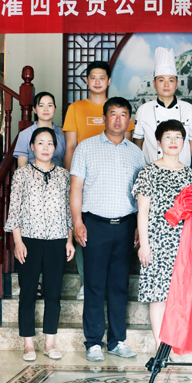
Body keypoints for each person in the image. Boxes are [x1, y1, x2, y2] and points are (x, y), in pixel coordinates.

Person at [70, 97, 145, 362]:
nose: (118, 119)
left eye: (123, 114)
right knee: (94, 285)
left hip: (125, 226)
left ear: (129, 120)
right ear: (104, 118)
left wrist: (139, 226)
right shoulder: (86, 147)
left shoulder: (136, 153)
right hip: (94, 225)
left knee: (119, 286)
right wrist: (77, 222)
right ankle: (93, 342)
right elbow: (76, 187)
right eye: (113, 114)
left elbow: (141, 195)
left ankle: (117, 341)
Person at [63, 61, 135, 300]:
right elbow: (71, 146)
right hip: (84, 175)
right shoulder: (76, 108)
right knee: (83, 230)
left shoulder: (119, 108)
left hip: (113, 185)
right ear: (86, 80)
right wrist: (72, 178)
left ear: (109, 81)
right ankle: (87, 281)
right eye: (92, 77)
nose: (97, 82)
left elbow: (127, 145)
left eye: (101, 77)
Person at [4, 127, 74, 361]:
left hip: (57, 239)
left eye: (50, 143)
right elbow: (14, 209)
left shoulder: (63, 175)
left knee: (54, 293)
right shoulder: (22, 174)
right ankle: (28, 345)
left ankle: (49, 343)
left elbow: (68, 210)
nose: (45, 147)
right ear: (32, 147)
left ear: (55, 148)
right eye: (40, 143)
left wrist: (69, 240)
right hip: (29, 240)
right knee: (28, 292)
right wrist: (18, 242)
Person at [132, 120, 192, 350]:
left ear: (184, 142)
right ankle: (161, 348)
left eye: (178, 137)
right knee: (158, 295)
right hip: (157, 241)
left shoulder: (191, 175)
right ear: (159, 142)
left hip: (184, 242)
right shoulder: (148, 172)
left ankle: (176, 342)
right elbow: (143, 211)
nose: (173, 141)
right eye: (168, 137)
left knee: (180, 295)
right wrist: (144, 245)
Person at [133, 47, 192, 167]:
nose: (166, 85)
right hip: (151, 171)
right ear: (154, 84)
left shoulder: (189, 109)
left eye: (171, 80)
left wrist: (179, 164)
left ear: (177, 84)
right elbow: (138, 143)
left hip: (182, 171)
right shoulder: (143, 110)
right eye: (161, 80)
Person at [14, 92, 66, 168]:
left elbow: (67, 163)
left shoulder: (63, 134)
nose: (46, 109)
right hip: (31, 174)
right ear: (34, 109)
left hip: (59, 174)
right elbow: (22, 167)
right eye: (41, 105)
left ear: (55, 109)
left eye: (50, 105)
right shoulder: (25, 135)